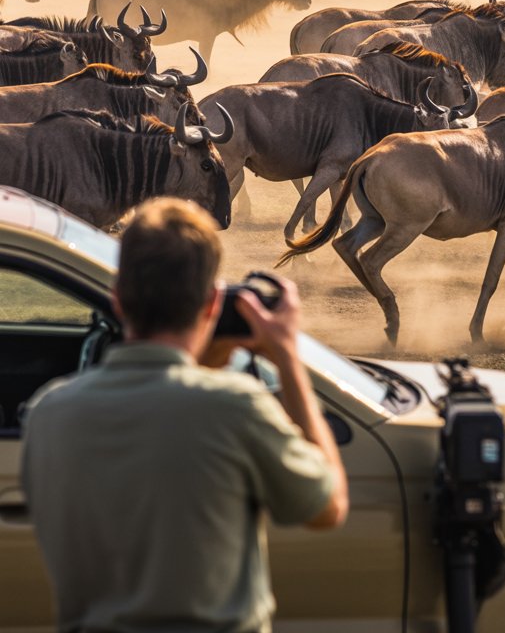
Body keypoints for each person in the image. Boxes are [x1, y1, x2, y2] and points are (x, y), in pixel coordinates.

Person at [21, 197, 348, 633]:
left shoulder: (48, 414)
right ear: (212, 304)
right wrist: (288, 358)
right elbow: (327, 507)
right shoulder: (235, 407)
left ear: (117, 300)